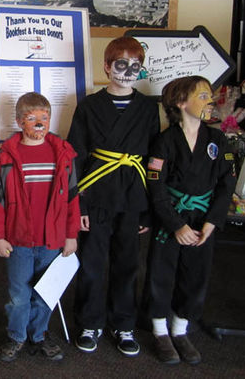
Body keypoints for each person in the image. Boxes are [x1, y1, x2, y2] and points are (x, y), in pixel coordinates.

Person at [67, 36, 160, 356]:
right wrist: (77, 203)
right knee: (92, 261)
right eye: (121, 64)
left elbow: (153, 158)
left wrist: (148, 211)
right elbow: (76, 155)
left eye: (136, 66)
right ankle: (90, 321)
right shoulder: (89, 105)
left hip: (133, 195)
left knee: (127, 263)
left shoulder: (149, 108)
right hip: (96, 193)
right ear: (106, 66)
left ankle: (124, 323)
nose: (128, 71)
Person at [143, 76, 236, 365]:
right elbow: (155, 185)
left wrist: (212, 221)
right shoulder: (164, 141)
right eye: (203, 96)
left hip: (203, 219)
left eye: (210, 96)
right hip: (171, 217)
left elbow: (227, 182)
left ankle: (180, 330)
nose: (210, 102)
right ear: (181, 103)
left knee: (195, 275)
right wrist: (176, 225)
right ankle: (160, 332)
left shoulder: (219, 141)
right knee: (162, 273)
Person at [0, 92, 80, 362]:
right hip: (18, 241)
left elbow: (73, 197)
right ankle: (16, 335)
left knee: (45, 292)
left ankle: (38, 334)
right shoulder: (6, 157)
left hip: (52, 241)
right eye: (32, 118)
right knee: (19, 294)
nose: (39, 123)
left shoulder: (63, 153)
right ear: (19, 121)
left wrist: (71, 234)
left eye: (44, 118)